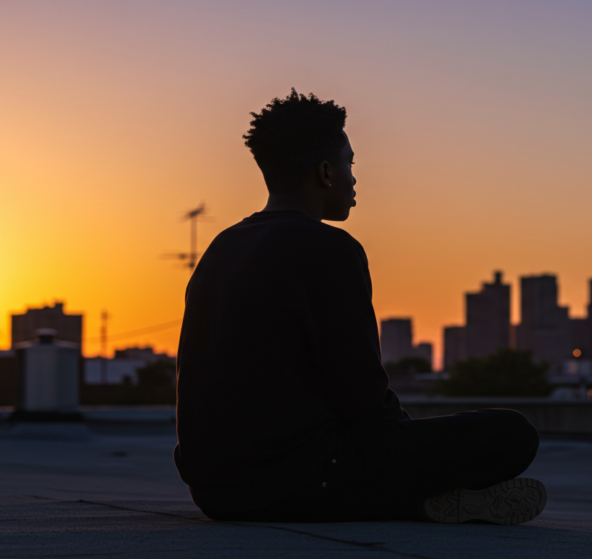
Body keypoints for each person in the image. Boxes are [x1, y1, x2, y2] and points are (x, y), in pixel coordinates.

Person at [174, 90, 546, 524]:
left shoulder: (222, 247)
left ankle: (417, 503)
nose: (354, 179)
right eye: (351, 164)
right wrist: (407, 446)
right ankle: (413, 497)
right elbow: (360, 394)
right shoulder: (329, 248)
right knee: (512, 434)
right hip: (298, 477)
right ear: (326, 172)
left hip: (215, 490)